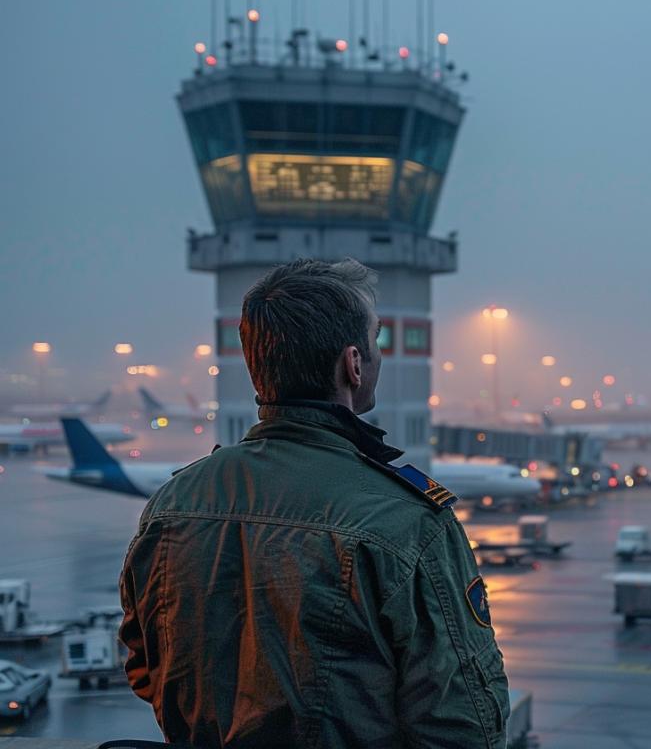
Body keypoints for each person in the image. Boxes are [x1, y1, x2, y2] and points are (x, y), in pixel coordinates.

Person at [119, 259, 508, 748]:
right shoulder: (404, 520)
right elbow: (464, 722)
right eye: (376, 340)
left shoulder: (171, 505)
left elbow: (144, 670)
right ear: (354, 363)